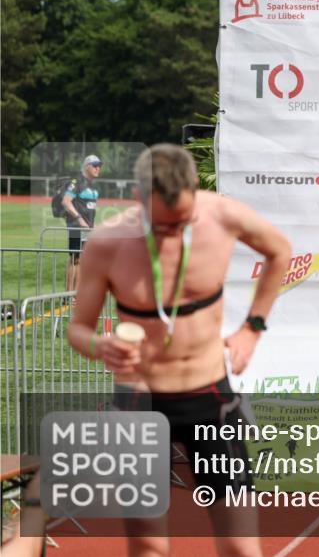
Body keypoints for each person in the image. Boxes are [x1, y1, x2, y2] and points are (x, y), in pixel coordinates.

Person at [67, 144, 292, 557]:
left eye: (183, 222)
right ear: (139, 199)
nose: (173, 235)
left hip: (210, 398)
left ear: (195, 194)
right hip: (140, 402)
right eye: (162, 226)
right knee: (150, 548)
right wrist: (101, 345)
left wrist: (252, 329)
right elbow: (77, 330)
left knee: (242, 549)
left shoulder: (223, 216)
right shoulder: (106, 243)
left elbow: (280, 251)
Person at [63, 154, 102, 290]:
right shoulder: (76, 182)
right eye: (95, 166)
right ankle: (68, 295)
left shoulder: (92, 185)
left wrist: (93, 224)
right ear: (87, 167)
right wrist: (79, 219)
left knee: (82, 260)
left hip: (87, 229)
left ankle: (77, 292)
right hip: (76, 227)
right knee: (75, 259)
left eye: (99, 166)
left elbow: (90, 208)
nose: (98, 169)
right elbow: (66, 202)